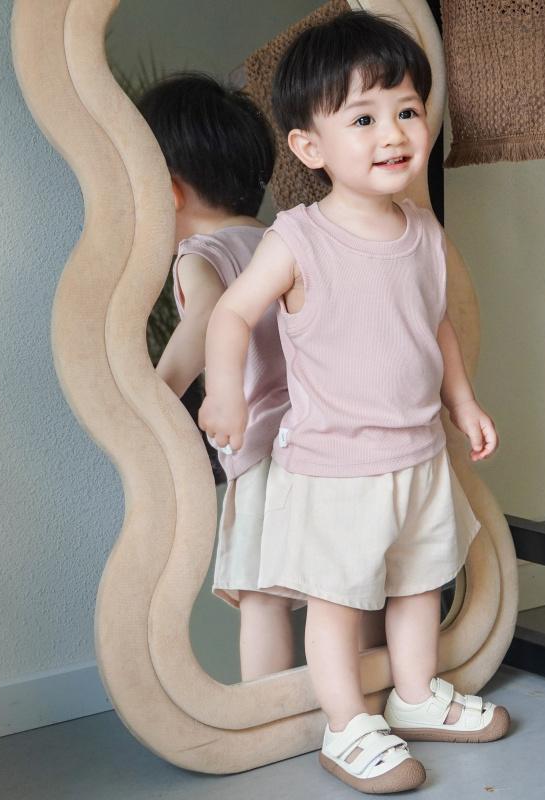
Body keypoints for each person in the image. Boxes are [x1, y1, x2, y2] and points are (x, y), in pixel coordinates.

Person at [198, 13, 509, 793]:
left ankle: (414, 694)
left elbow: (433, 326)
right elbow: (232, 315)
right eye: (364, 119)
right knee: (336, 603)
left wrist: (464, 402)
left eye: (406, 110)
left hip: (417, 453)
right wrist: (226, 398)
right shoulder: (299, 238)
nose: (393, 133)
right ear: (311, 147)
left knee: (418, 582)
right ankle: (346, 725)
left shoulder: (423, 233)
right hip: (334, 467)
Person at [137, 73, 298, 681]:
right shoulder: (279, 238)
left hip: (264, 446)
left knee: (261, 595)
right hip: (323, 434)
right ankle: (361, 697)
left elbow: (206, 315)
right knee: (346, 586)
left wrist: (156, 394)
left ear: (168, 192)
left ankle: (269, 707)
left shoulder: (199, 255)